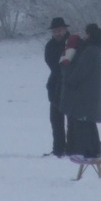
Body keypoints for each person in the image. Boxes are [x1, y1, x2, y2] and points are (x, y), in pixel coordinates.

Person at [61, 22, 101, 159]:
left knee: (82, 125)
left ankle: (83, 152)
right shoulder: (97, 50)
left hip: (83, 95)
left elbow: (79, 73)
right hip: (92, 94)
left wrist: (67, 76)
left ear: (89, 34)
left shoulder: (89, 51)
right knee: (89, 124)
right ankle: (93, 151)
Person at [44, 17, 71, 156]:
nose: (57, 33)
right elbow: (52, 65)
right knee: (56, 119)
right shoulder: (50, 45)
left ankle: (72, 148)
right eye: (54, 31)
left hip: (71, 85)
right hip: (55, 85)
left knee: (72, 121)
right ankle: (58, 148)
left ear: (65, 29)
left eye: (59, 30)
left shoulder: (73, 43)